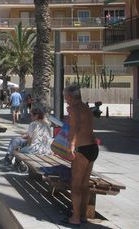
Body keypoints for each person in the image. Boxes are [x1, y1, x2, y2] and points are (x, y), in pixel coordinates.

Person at [61, 85, 99, 227]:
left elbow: (76, 127)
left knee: (76, 184)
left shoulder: (75, 108)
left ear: (70, 97)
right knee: (84, 184)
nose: (65, 100)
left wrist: (71, 146)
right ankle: (82, 215)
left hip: (81, 149)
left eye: (65, 97)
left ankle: (75, 217)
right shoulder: (86, 108)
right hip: (92, 147)